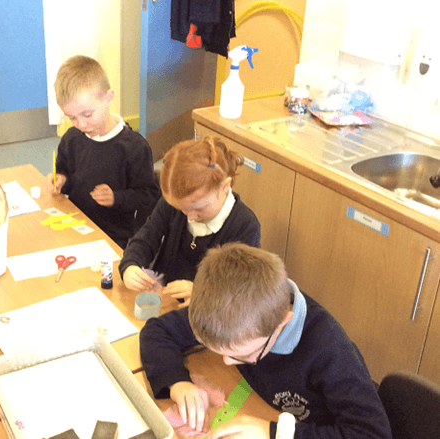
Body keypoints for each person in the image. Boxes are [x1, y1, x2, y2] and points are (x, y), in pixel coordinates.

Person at [140, 242, 392, 439]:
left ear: (282, 323)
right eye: (222, 353)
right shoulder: (228, 311)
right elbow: (157, 332)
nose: (228, 362)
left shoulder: (330, 351)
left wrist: (273, 433)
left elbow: (371, 434)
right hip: (254, 405)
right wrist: (176, 382)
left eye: (243, 355)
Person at [119, 136, 260, 305]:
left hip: (206, 315)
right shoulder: (179, 203)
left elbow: (240, 290)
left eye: (199, 209)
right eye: (182, 210)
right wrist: (130, 265)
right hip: (164, 300)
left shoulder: (245, 226)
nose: (190, 217)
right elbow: (147, 236)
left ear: (225, 187)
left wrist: (202, 294)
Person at [49, 55, 160, 249]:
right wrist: (61, 180)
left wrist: (116, 198)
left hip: (114, 237)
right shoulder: (72, 138)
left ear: (108, 98)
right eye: (72, 117)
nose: (81, 124)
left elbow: (148, 197)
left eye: (87, 114)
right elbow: (66, 174)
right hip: (76, 225)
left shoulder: (134, 147)